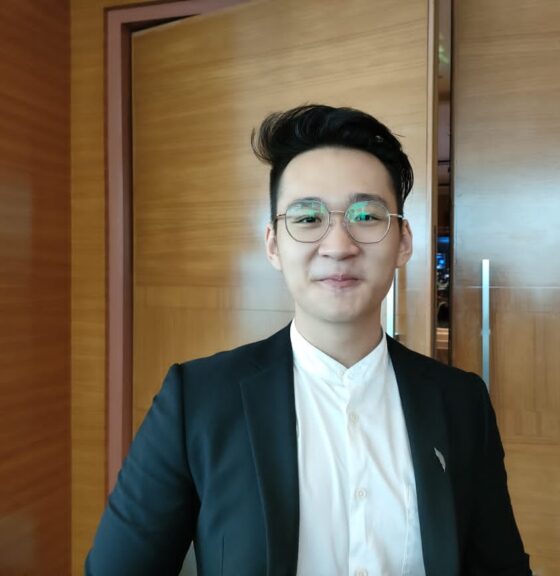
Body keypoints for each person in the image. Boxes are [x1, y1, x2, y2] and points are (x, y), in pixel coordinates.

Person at [85, 105, 532, 575]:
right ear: (273, 244)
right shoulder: (196, 401)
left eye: (366, 215)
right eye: (307, 218)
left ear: (403, 241)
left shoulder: (461, 404)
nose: (338, 246)